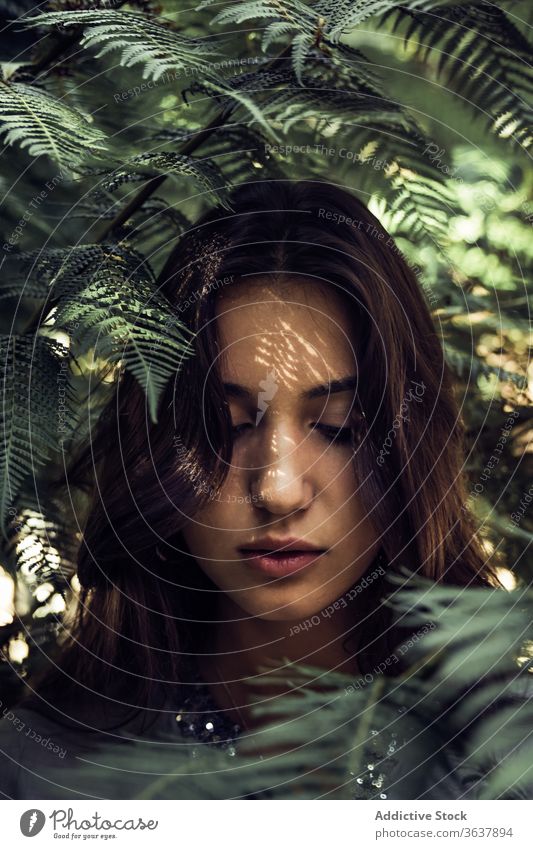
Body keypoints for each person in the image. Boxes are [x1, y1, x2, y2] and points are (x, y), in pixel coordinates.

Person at [0, 179, 522, 800]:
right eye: (225, 427)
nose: (277, 490)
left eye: (338, 428)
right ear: (158, 449)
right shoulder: (42, 776)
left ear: (407, 449)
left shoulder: (511, 763)